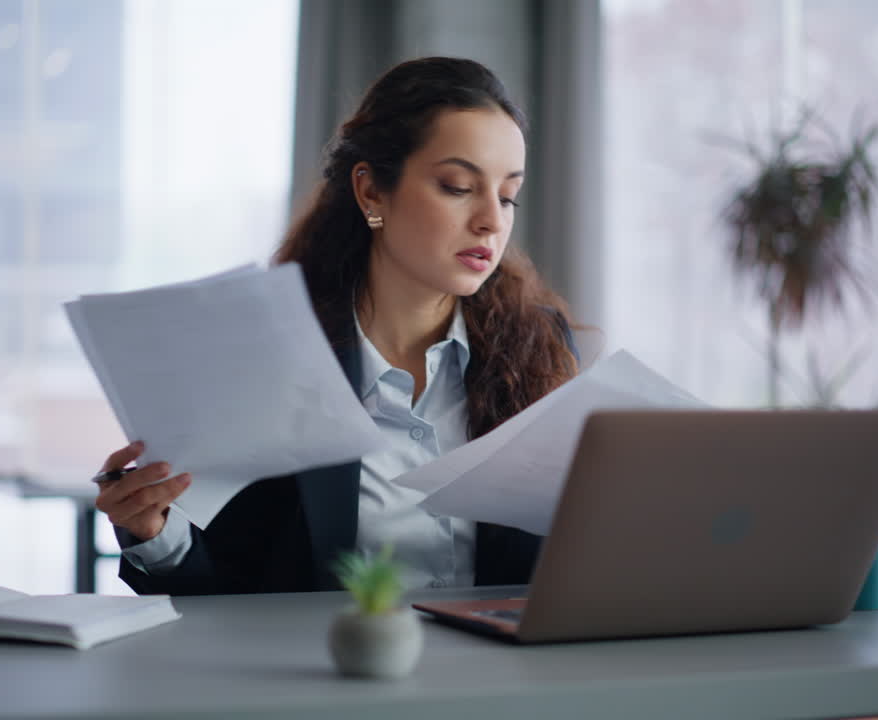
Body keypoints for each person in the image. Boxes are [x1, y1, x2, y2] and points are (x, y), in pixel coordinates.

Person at [95, 57, 581, 596]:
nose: (493, 219)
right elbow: (228, 589)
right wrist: (153, 532)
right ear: (371, 192)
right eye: (457, 186)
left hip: (505, 676)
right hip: (330, 672)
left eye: (508, 194)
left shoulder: (539, 347)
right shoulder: (271, 360)